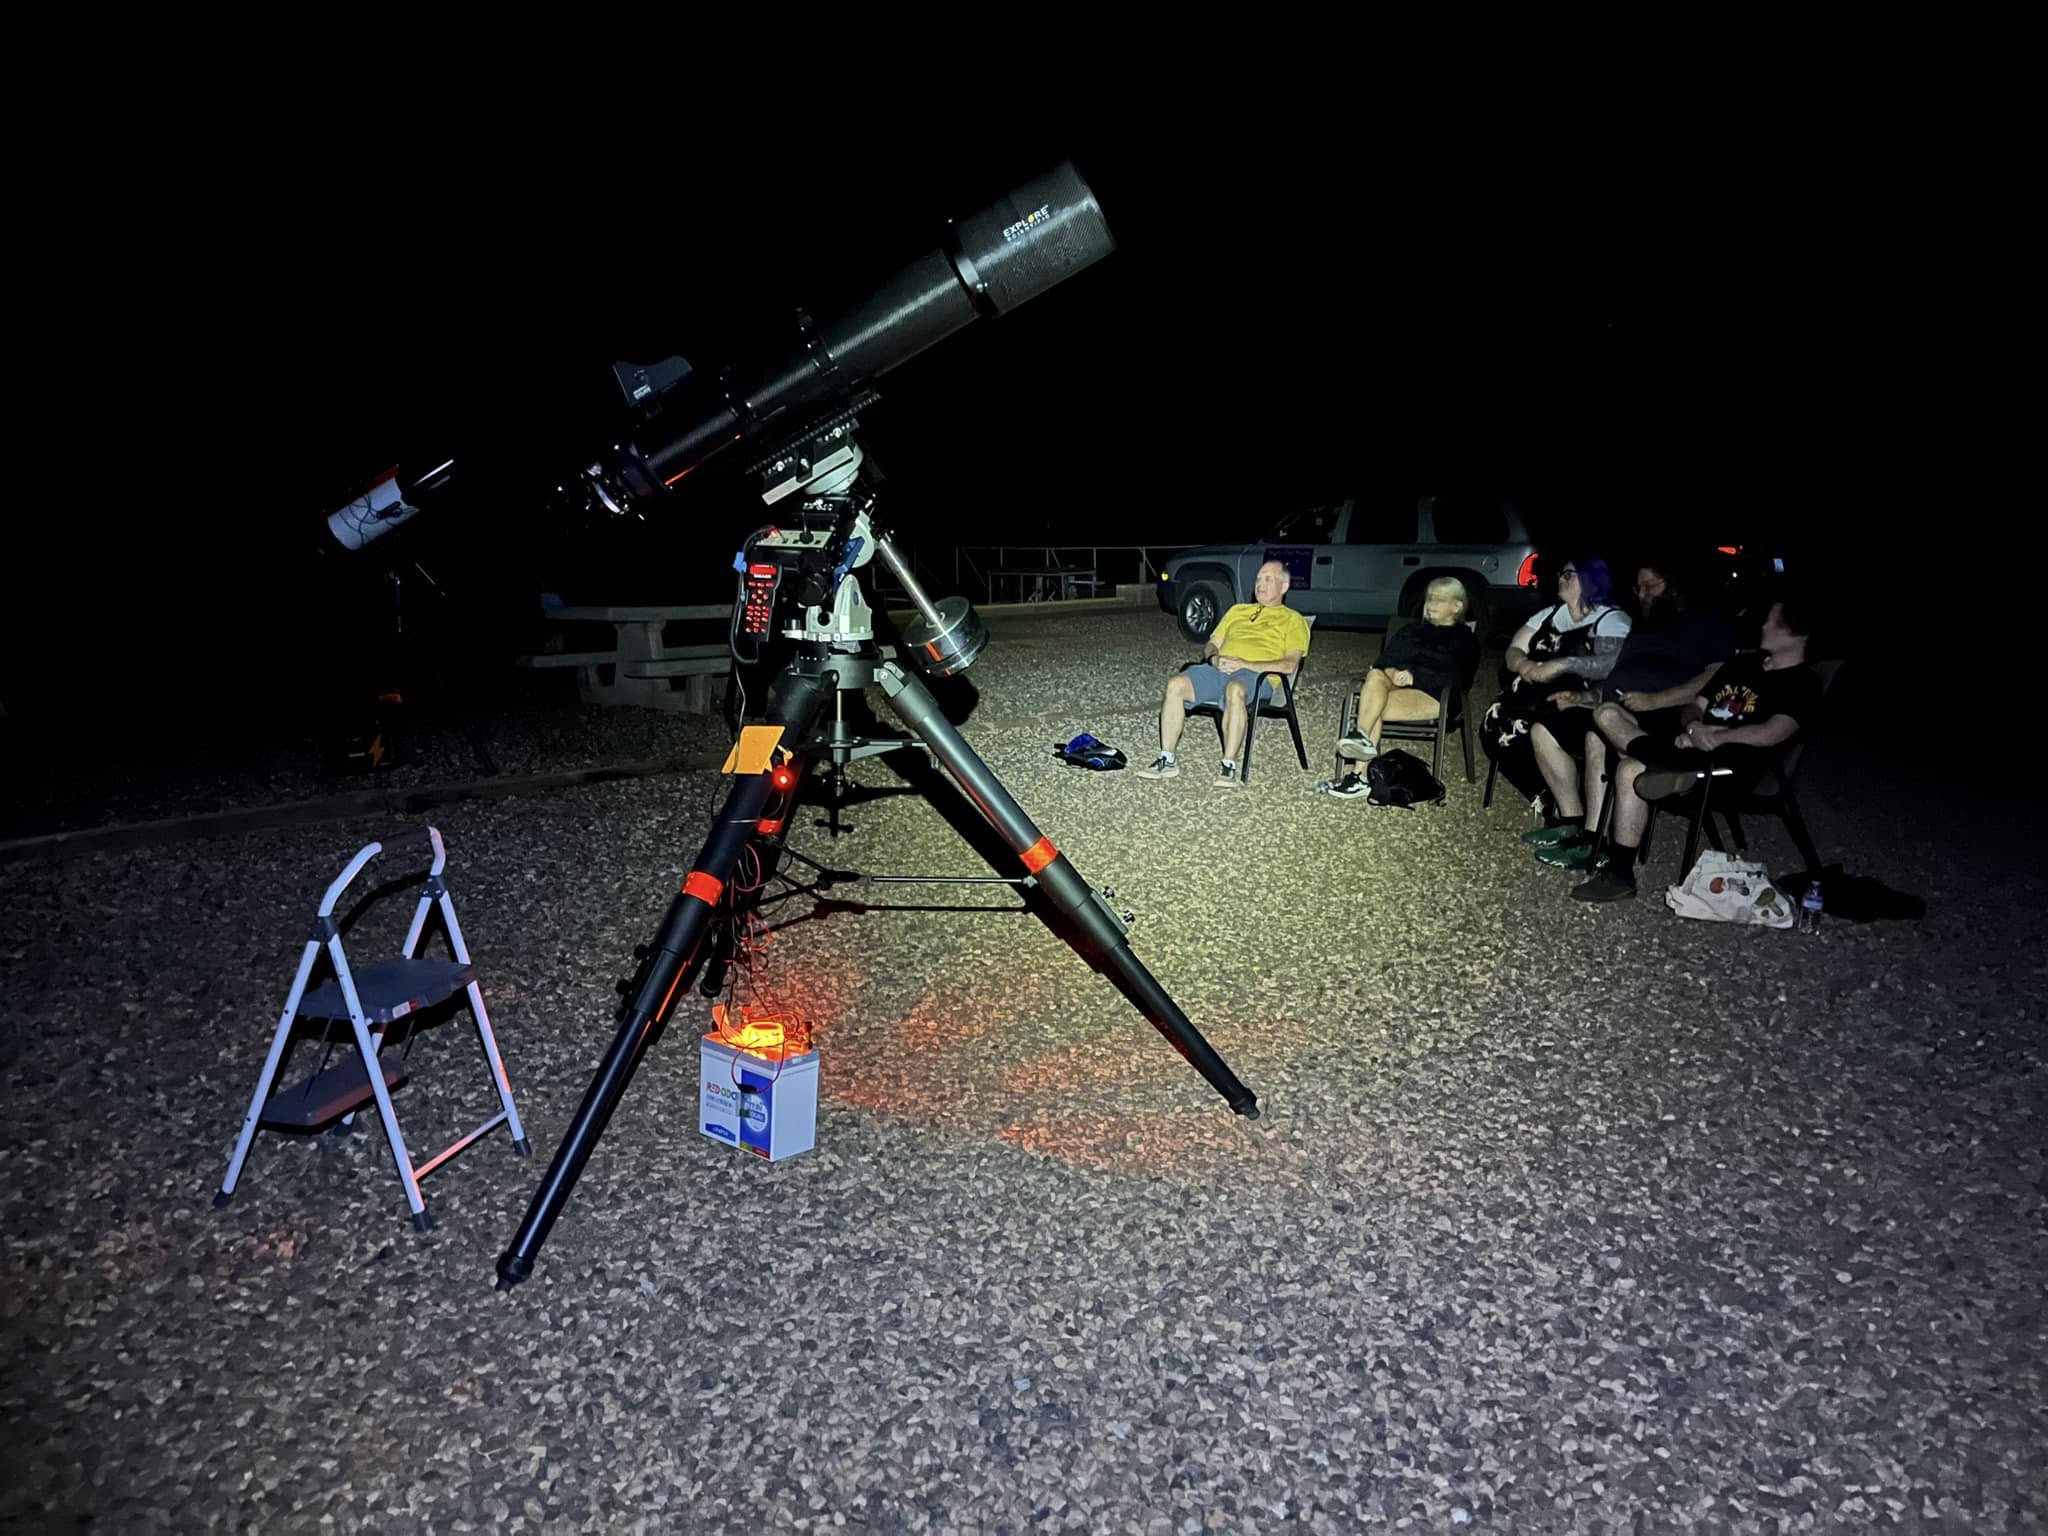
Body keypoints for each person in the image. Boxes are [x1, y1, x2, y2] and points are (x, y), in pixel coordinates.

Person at [1569, 596, 1823, 902]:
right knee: (1606, 713)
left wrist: (1719, 738)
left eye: (1773, 621)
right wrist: (1694, 728)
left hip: (1729, 766)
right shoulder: (1744, 663)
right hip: (1688, 750)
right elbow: (1694, 706)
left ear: (1794, 633)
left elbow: (1773, 732)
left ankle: (1620, 874)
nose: (1764, 625)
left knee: (1630, 769)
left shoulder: (1803, 682)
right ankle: (1661, 764)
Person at [1524, 561, 1737, 871]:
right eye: (1639, 588)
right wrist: (1581, 697)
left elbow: (1715, 678)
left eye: (1652, 585)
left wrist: (1656, 700)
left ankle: (1593, 839)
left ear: (1674, 584)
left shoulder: (1707, 624)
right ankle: (1572, 821)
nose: (1644, 594)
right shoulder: (1643, 629)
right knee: (1544, 729)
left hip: (1662, 714)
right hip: (1615, 705)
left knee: (1596, 733)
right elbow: (1615, 680)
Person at [1136, 559, 1311, 788]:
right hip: (1220, 669)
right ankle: (1167, 759)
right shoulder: (1238, 611)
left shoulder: (1293, 620)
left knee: (1235, 689)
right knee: (1176, 684)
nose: (1260, 584)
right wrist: (1214, 658)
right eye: (1258, 578)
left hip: (1258, 676)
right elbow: (1212, 644)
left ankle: (1228, 764)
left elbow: (1289, 665)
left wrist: (1245, 664)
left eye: (1268, 579)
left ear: (1284, 587)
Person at [1480, 556, 1631, 804]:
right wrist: (1524, 664)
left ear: (1592, 581)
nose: (1561, 579)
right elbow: (1515, 648)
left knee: (1534, 722)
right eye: (1561, 573)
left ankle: (1567, 802)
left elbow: (1607, 665)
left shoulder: (1611, 619)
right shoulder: (1549, 614)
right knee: (1494, 723)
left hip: (1574, 699)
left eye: (1569, 574)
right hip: (1529, 693)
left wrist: (1560, 665)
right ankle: (1544, 796)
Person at [1324, 576, 1481, 800]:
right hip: (1394, 687)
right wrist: (1392, 673)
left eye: (1440, 599)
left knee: (1373, 706)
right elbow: (1383, 661)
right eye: (1430, 598)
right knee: (1375, 675)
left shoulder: (1464, 639)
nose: (1432, 603)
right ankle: (1362, 739)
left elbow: (1458, 678)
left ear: (1457, 606)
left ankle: (1359, 773)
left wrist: (1414, 677)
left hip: (1434, 695)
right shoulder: (1411, 630)